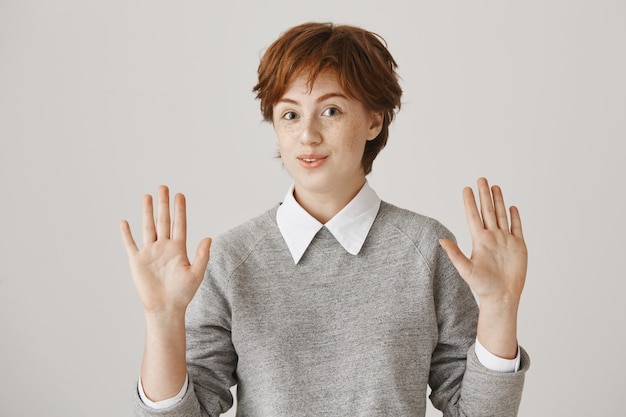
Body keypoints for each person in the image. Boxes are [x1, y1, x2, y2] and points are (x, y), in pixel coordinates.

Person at [120, 22, 530, 417]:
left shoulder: (428, 249)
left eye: (331, 111)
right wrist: (162, 319)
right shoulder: (232, 259)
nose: (308, 135)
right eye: (290, 114)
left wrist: (499, 308)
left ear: (374, 120)